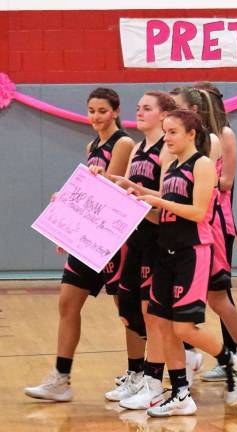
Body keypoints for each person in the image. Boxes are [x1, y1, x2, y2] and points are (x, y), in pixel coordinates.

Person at [138, 109, 237, 416]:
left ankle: (232, 360)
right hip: (167, 249)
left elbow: (199, 211)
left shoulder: (202, 164)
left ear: (191, 134)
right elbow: (165, 205)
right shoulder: (170, 164)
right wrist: (133, 190)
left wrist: (158, 201)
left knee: (184, 327)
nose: (167, 137)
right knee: (162, 325)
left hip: (193, 251)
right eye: (165, 132)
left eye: (173, 131)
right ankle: (180, 394)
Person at [24, 88, 135, 402]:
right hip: (88, 239)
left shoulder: (123, 142)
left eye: (102, 110)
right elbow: (89, 191)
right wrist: (66, 214)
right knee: (67, 303)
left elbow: (107, 193)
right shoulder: (93, 144)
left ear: (115, 111)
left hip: (111, 241)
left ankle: (139, 374)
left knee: (125, 310)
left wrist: (73, 206)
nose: (96, 117)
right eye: (91, 110)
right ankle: (61, 378)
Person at [106, 91, 177, 409]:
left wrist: (137, 199)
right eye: (138, 107)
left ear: (164, 116)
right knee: (128, 309)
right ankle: (137, 374)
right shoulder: (137, 147)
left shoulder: (167, 149)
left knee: (153, 313)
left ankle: (153, 380)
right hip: (135, 237)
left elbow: (163, 202)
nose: (140, 112)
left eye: (147, 108)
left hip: (157, 238)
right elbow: (131, 193)